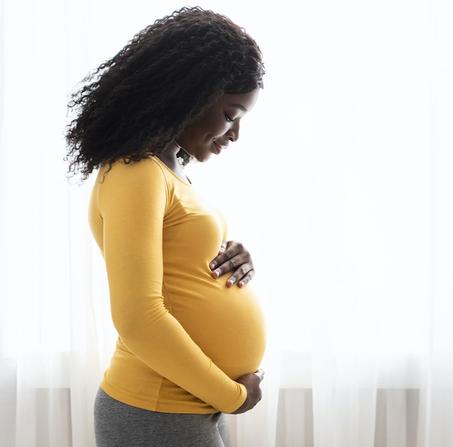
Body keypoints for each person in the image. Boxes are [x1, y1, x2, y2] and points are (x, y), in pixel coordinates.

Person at [64, 6, 266, 446]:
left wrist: (235, 263)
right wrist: (230, 395)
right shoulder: (135, 171)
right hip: (158, 409)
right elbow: (138, 317)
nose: (234, 135)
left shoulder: (168, 170)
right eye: (232, 115)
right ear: (189, 96)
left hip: (187, 403)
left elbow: (180, 268)